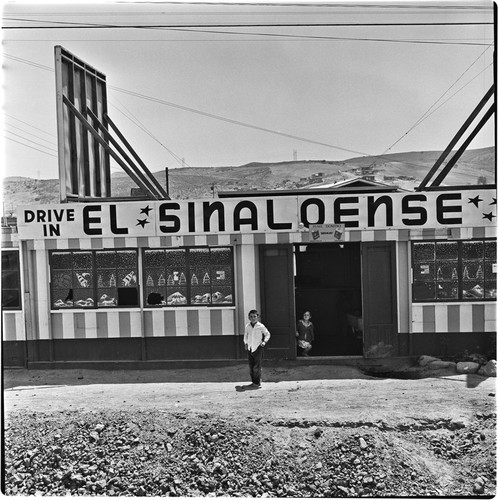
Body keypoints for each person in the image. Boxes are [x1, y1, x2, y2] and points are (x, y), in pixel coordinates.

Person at [243, 309, 271, 389]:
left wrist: (264, 342)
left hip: (258, 348)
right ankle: (254, 381)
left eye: (255, 316)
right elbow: (245, 335)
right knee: (251, 366)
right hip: (250, 348)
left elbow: (267, 334)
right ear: (249, 317)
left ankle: (257, 383)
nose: (253, 318)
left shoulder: (260, 326)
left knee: (257, 367)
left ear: (257, 317)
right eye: (251, 317)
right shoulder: (247, 326)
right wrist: (245, 343)